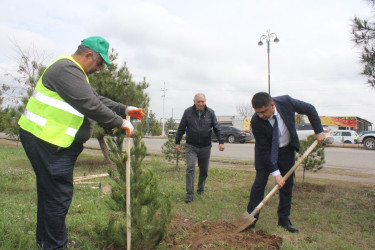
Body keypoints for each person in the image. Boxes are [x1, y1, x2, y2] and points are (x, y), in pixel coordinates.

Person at [18, 36, 145, 249]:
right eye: (99, 63)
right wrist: (120, 122)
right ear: (88, 55)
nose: (99, 68)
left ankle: (45, 242)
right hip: (46, 141)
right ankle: (55, 246)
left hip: (52, 142)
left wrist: (124, 109)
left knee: (50, 194)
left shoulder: (75, 72)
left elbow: (94, 98)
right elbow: (90, 104)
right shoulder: (66, 70)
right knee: (58, 196)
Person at [246, 92, 325, 233]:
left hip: (286, 150)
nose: (261, 115)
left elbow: (310, 109)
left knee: (287, 186)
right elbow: (264, 150)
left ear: (272, 105)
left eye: (264, 112)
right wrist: (275, 173)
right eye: (258, 112)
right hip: (266, 153)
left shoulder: (286, 102)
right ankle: (250, 219)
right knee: (259, 185)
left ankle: (284, 220)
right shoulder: (256, 121)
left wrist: (318, 131)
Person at [175, 93, 225, 203]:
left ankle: (200, 189)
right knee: (190, 168)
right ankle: (189, 194)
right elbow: (181, 128)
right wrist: (177, 142)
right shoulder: (188, 112)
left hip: (205, 147)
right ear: (194, 102)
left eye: (202, 101)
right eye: (199, 101)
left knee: (204, 171)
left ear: (205, 101)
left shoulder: (210, 113)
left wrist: (221, 142)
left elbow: (217, 128)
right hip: (191, 146)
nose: (201, 104)